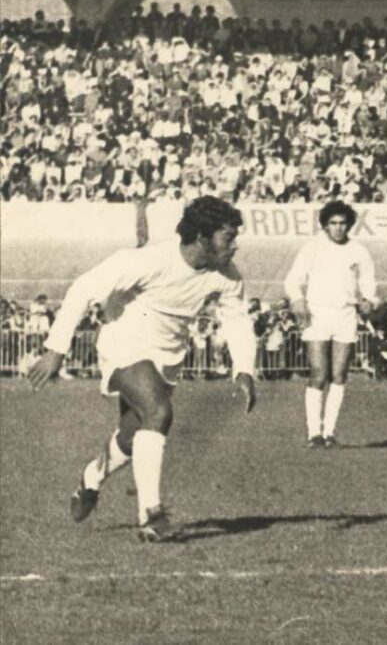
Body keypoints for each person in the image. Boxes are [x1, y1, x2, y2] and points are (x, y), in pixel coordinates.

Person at [27, 197, 257, 542]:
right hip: (124, 343)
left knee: (132, 437)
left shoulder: (227, 276)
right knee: (158, 412)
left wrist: (244, 369)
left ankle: (91, 478)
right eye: (228, 237)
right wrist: (56, 350)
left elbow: (237, 319)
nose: (235, 245)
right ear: (201, 238)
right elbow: (82, 289)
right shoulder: (149, 260)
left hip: (169, 355)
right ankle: (151, 515)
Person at [284, 200, 377, 449]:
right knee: (319, 373)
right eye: (333, 223)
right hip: (318, 314)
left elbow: (368, 281)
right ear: (325, 225)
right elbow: (293, 280)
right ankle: (314, 433)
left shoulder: (359, 251)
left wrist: (369, 300)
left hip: (346, 315)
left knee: (339, 374)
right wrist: (297, 300)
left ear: (349, 225)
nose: (338, 228)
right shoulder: (312, 248)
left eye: (342, 223)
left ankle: (329, 433)